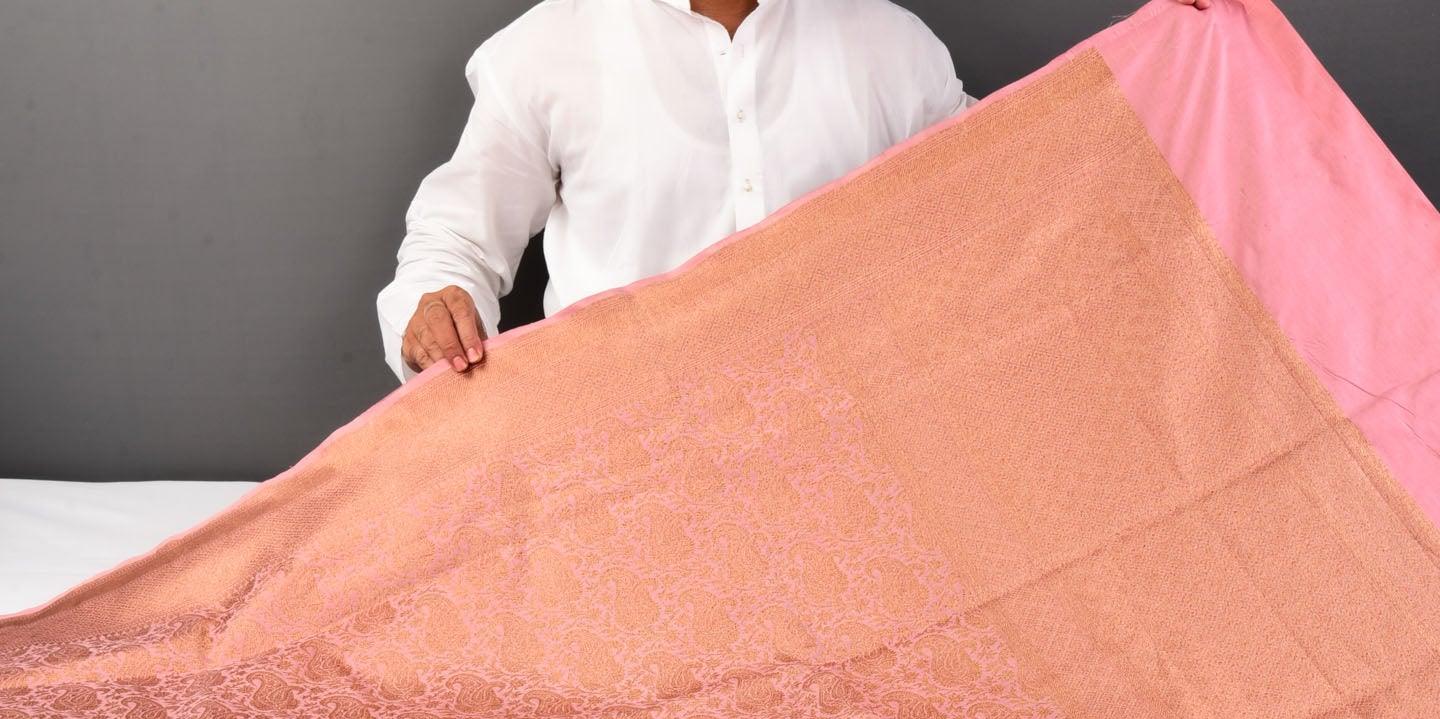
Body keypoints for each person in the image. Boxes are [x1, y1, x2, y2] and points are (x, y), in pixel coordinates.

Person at [378, 0, 1210, 380]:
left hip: (860, 466)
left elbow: (1027, 183)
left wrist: (1177, 54)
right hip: (619, 474)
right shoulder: (548, 48)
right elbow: (456, 242)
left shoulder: (887, 43)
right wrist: (434, 310)